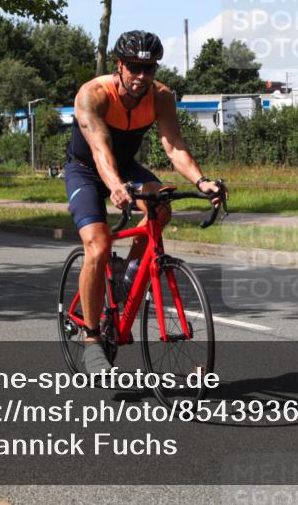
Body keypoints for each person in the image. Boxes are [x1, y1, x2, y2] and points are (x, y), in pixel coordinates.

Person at [66, 30, 224, 373]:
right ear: (119, 65)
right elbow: (99, 150)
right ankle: (92, 339)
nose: (141, 76)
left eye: (148, 69)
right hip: (86, 170)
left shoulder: (161, 97)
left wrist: (201, 181)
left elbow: (175, 146)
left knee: (161, 206)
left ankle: (130, 273)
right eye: (134, 67)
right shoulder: (93, 95)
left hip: (125, 167)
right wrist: (115, 186)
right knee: (98, 246)